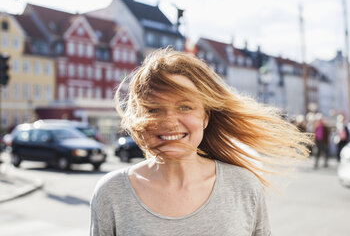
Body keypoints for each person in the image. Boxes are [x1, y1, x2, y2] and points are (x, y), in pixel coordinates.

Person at [90, 49, 311, 236]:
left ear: (205, 117)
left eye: (185, 107)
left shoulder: (243, 186)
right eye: (154, 109)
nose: (169, 122)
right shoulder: (112, 193)